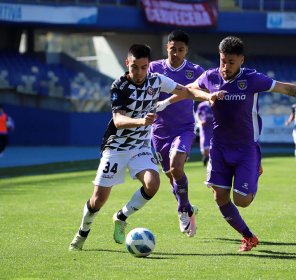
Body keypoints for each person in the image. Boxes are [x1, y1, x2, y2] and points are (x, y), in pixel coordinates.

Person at [187, 36, 296, 252]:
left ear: (242, 60)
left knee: (242, 201)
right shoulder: (210, 77)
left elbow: (287, 89)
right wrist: (206, 96)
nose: (225, 67)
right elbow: (189, 89)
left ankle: (255, 170)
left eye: (231, 62)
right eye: (222, 61)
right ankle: (248, 236)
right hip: (219, 148)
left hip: (246, 149)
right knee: (219, 196)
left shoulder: (252, 79)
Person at [69, 44, 223, 251]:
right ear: (127, 64)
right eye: (135, 67)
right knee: (98, 200)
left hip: (140, 146)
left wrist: (208, 96)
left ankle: (122, 216)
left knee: (153, 183)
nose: (139, 72)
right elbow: (118, 120)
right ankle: (82, 232)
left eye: (143, 67)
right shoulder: (119, 86)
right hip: (116, 146)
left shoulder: (157, 80)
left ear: (148, 65)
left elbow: (186, 92)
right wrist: (142, 121)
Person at [148, 30, 205, 237]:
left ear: (186, 50)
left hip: (184, 128)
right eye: (173, 49)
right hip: (160, 131)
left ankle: (182, 211)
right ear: (167, 48)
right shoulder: (154, 68)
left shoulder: (195, 70)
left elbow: (202, 92)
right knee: (172, 178)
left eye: (181, 50)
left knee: (176, 166)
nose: (176, 53)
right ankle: (188, 207)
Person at [195, 101, 213, 166]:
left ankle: (212, 161)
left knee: (214, 147)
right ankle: (206, 157)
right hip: (204, 130)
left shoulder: (216, 104)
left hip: (214, 129)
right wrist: (200, 122)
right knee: (205, 150)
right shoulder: (202, 105)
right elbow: (197, 114)